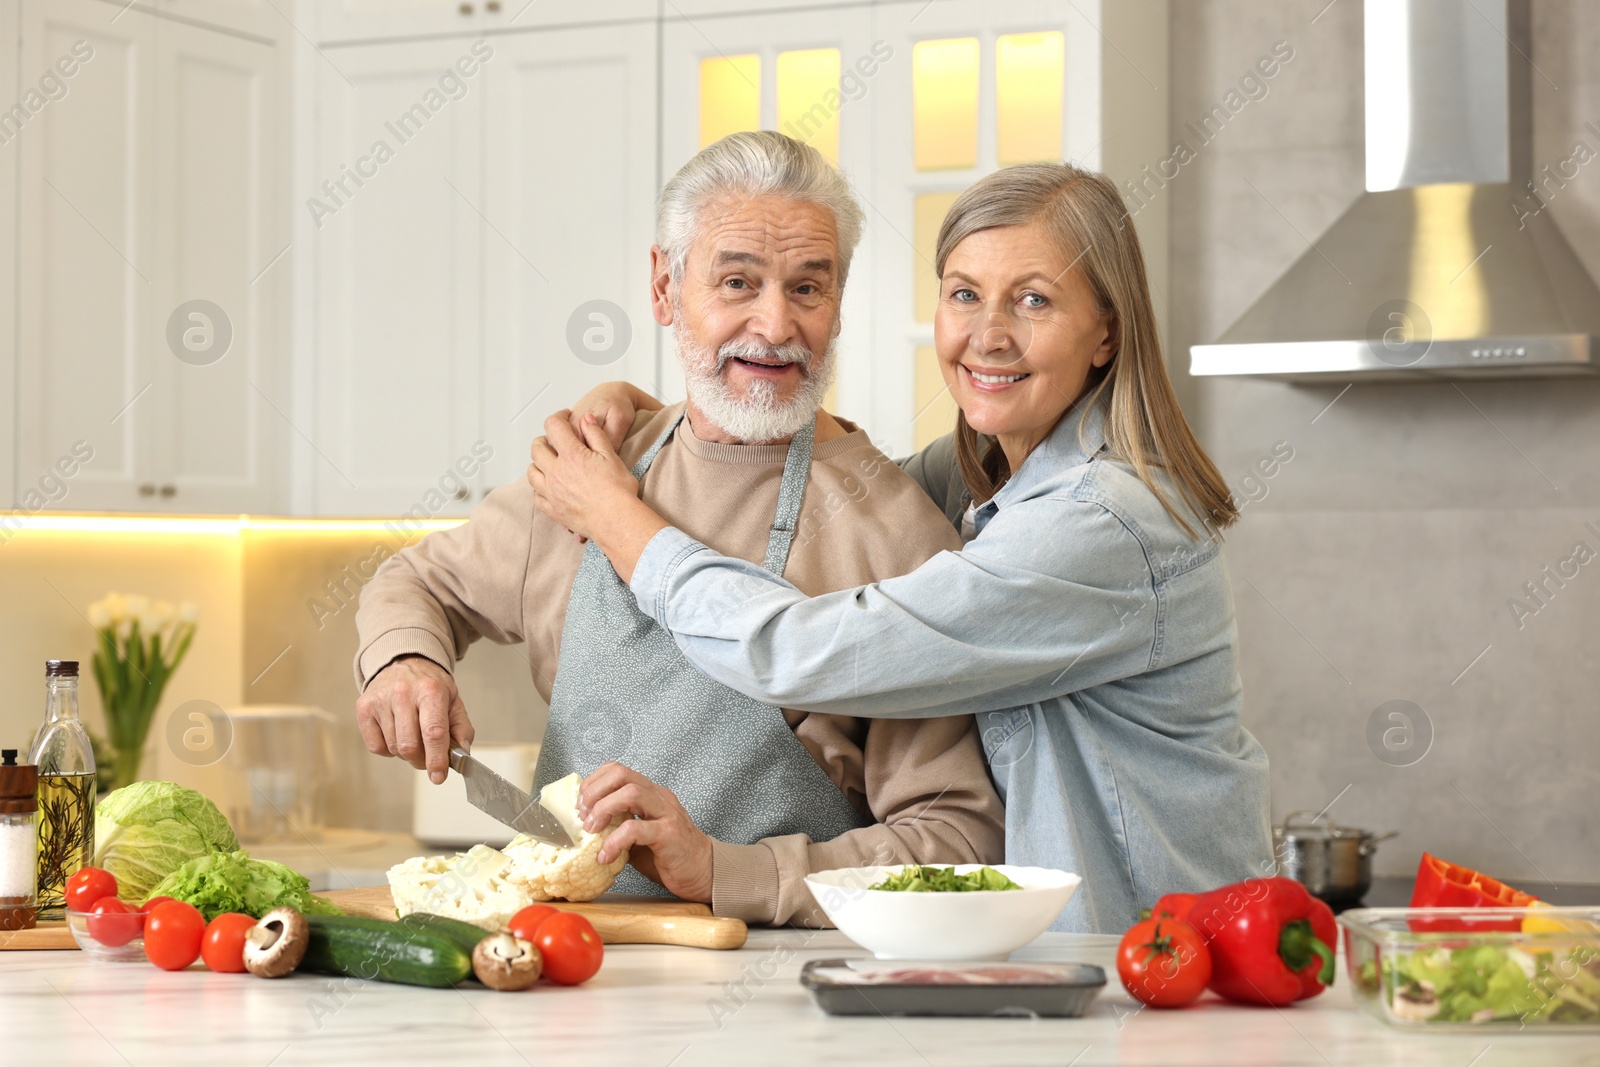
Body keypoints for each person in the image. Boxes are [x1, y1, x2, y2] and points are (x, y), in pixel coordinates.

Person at [528, 162, 1274, 933]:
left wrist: (615, 515)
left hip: (1174, 955)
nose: (989, 334)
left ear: (1107, 331)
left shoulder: (1101, 522)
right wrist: (661, 417)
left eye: (1034, 299)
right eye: (964, 294)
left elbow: (791, 650)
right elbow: (839, 473)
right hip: (1099, 962)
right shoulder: (986, 471)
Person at [353, 130, 1003, 927]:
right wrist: (404, 661)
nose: (775, 324)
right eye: (737, 281)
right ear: (664, 287)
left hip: (777, 991)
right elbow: (417, 582)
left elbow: (955, 842)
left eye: (809, 287)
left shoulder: (897, 533)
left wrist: (730, 872)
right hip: (563, 977)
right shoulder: (588, 469)